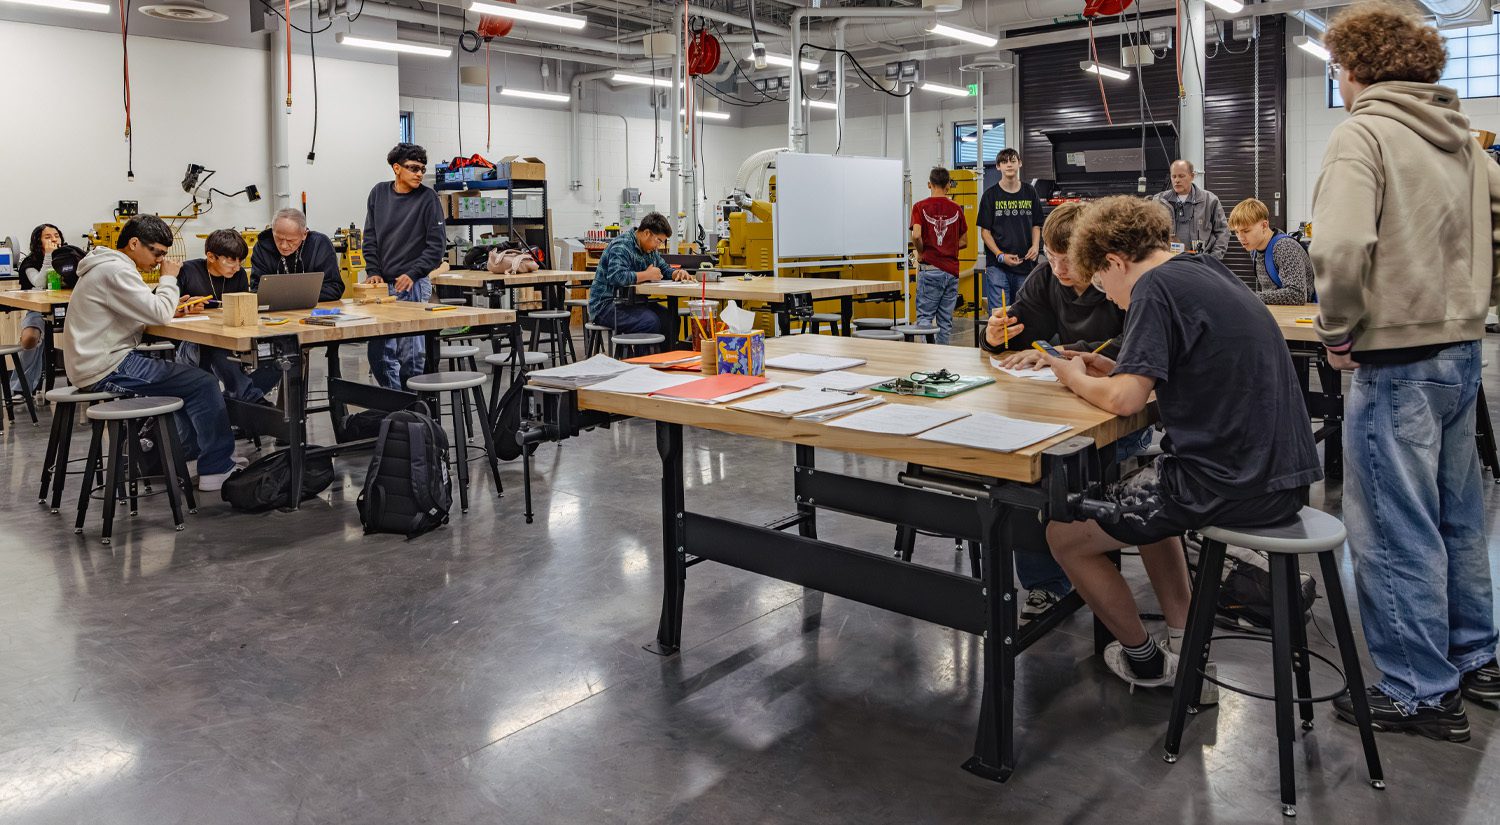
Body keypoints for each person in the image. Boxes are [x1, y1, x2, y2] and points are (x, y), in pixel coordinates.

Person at [1036, 196, 1321, 689]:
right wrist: (1111, 367)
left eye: (1105, 285)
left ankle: (1144, 661)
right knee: (1149, 498)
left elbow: (1126, 400)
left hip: (1234, 481)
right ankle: (1188, 648)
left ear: (1115, 262)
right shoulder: (1203, 266)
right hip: (1282, 471)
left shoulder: (1153, 288)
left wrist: (1072, 375)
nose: (1111, 299)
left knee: (1064, 536)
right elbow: (1188, 367)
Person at [1312, 2, 1498, 741]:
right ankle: (1477, 658)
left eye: (1337, 67)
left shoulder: (1364, 132)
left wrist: (1337, 329)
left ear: (1354, 68)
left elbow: (1340, 245)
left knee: (1393, 529)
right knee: (1457, 519)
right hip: (1461, 352)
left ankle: (1420, 690)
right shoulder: (1464, 141)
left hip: (1394, 360)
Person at [62, 215, 240, 491]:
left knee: (189, 383)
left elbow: (138, 313)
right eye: (156, 252)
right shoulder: (115, 271)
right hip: (106, 367)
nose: (159, 260)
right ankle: (216, 468)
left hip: (97, 361)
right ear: (134, 243)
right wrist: (168, 280)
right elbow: (157, 311)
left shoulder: (108, 267)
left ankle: (186, 454)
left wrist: (172, 308)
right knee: (202, 383)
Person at [982, 202, 1124, 361]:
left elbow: (1137, 344)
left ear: (1094, 252)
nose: (1058, 270)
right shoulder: (1044, 278)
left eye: (1069, 261)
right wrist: (993, 338)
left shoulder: (1119, 282)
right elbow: (1021, 333)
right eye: (1050, 257)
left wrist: (1060, 351)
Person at [363, 143, 447, 389]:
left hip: (414, 284)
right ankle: (395, 403)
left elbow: (436, 247)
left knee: (411, 355)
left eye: (422, 168)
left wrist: (413, 273)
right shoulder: (378, 193)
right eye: (413, 168)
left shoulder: (428, 198)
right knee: (380, 353)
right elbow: (370, 238)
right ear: (396, 168)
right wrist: (373, 271)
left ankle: (412, 410)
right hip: (382, 287)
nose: (419, 173)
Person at [177, 229, 281, 403]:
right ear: (211, 256)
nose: (237, 266)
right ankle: (252, 400)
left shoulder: (238, 275)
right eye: (231, 260)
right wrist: (182, 306)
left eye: (240, 260)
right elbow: (158, 306)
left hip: (229, 338)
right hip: (192, 343)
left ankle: (237, 402)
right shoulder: (187, 271)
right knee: (216, 345)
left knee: (280, 354)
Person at [588, 212, 694, 337]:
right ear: (647, 233)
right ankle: (644, 357)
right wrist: (647, 275)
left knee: (670, 319)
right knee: (649, 322)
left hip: (633, 303)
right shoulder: (622, 245)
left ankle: (663, 356)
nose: (658, 247)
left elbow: (664, 269)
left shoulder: (650, 250)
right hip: (606, 305)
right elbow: (616, 277)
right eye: (658, 241)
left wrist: (676, 273)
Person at [11, 223, 82, 394]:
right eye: (47, 237)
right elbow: (39, 283)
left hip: (72, 308)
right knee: (29, 338)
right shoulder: (30, 262)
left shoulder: (69, 256)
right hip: (39, 309)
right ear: (38, 241)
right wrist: (49, 257)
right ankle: (21, 387)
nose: (53, 239)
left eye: (56, 235)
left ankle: (84, 380)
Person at [977, 148, 1042, 314]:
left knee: (1023, 314)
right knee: (1000, 315)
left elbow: (1036, 224)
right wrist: (1000, 255)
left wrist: (1035, 247)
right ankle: (998, 342)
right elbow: (985, 232)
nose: (1009, 165)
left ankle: (1020, 342)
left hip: (1025, 264)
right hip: (998, 266)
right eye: (1004, 162)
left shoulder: (1030, 192)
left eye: (1013, 161)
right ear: (998, 167)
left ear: (1019, 163)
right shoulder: (990, 195)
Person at [910, 167, 967, 344]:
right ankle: (942, 361)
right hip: (951, 272)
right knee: (945, 322)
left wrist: (921, 252)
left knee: (925, 319)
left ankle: (929, 361)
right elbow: (964, 242)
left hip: (930, 270)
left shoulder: (920, 207)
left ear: (929, 184)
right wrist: (948, 246)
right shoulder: (957, 209)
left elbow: (916, 235)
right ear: (948, 185)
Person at [1228, 198, 1313, 305]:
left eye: (1246, 231)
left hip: (1302, 315)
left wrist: (1249, 296)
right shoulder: (1254, 249)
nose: (1240, 238)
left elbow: (1297, 294)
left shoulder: (1285, 247)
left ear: (1264, 225)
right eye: (1236, 232)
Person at [250, 207, 344, 301]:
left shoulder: (320, 245)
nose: (284, 246)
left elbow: (335, 288)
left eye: (291, 240)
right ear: (272, 231)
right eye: (278, 238)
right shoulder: (262, 247)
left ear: (304, 234)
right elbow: (256, 290)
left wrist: (291, 296)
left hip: (315, 310)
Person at [1151, 160, 1230, 259]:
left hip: (1200, 263)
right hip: (1168, 263)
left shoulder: (1209, 200)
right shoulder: (1159, 201)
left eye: (1181, 176)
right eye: (1174, 176)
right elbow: (1149, 233)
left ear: (1192, 176)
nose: (1177, 180)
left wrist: (1214, 258)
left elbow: (1222, 231)